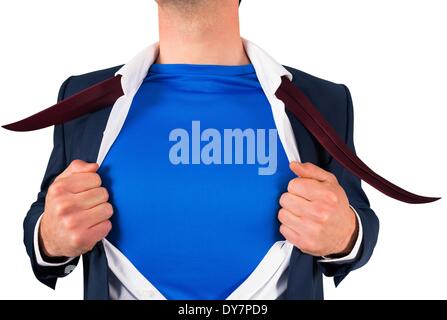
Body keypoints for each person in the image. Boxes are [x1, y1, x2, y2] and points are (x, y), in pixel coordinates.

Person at [22, 0, 379, 300]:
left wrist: (346, 234)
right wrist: (50, 236)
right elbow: (44, 215)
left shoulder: (324, 101)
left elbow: (359, 217)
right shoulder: (83, 97)